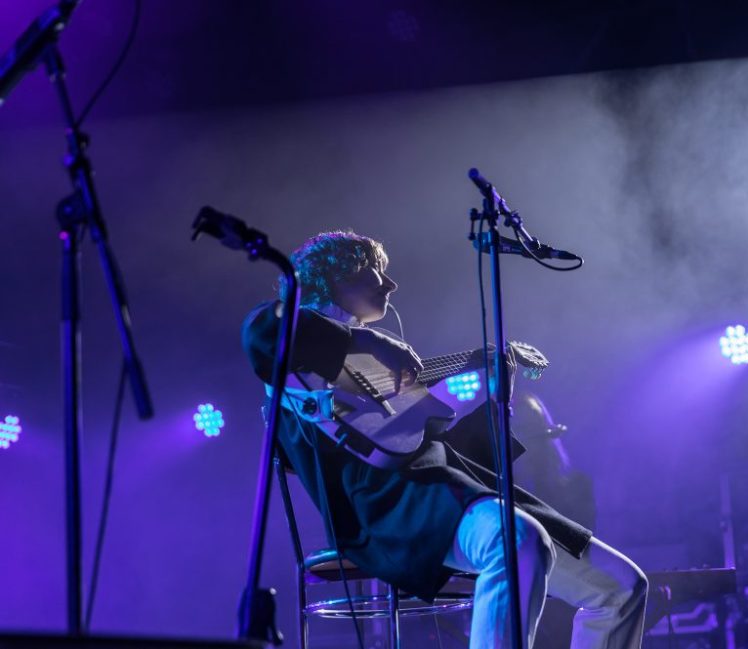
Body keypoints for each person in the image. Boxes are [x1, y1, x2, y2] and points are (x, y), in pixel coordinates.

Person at [242, 230, 648, 648]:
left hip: (440, 495)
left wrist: (497, 403)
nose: (391, 284)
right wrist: (368, 337)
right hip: (383, 512)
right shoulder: (294, 357)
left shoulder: (375, 370)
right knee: (516, 540)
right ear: (332, 278)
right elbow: (260, 331)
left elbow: (441, 455)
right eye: (374, 271)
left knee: (621, 587)